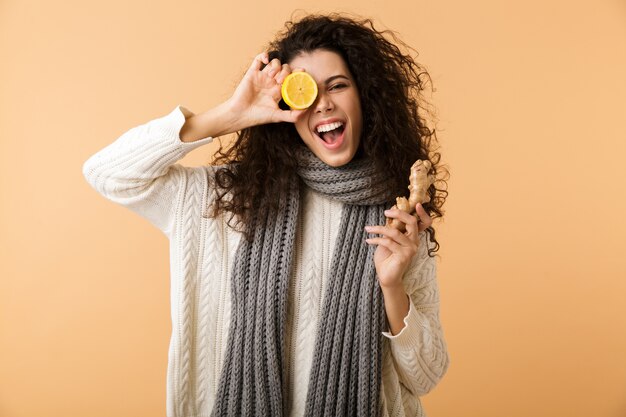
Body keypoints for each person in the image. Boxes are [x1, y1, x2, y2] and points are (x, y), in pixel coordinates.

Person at [83, 12, 450, 417]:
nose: (324, 103)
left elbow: (426, 376)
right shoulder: (223, 200)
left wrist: (392, 285)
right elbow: (107, 173)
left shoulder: (398, 218)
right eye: (305, 92)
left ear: (366, 97)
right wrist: (231, 115)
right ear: (286, 107)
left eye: (339, 86)